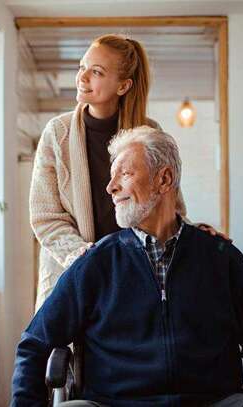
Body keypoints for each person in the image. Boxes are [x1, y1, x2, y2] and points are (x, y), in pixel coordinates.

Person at [13, 126, 243, 407]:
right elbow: (35, 343)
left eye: (125, 174)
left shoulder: (220, 257)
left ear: (164, 180)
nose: (111, 187)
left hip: (214, 401)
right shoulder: (97, 262)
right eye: (112, 176)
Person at [30, 34, 225, 310]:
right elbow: (45, 218)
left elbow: (170, 208)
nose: (83, 77)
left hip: (136, 282)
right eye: (81, 67)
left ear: (123, 85)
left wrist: (196, 233)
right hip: (75, 279)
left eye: (96, 72)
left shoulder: (151, 133)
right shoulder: (57, 134)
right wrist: (86, 258)